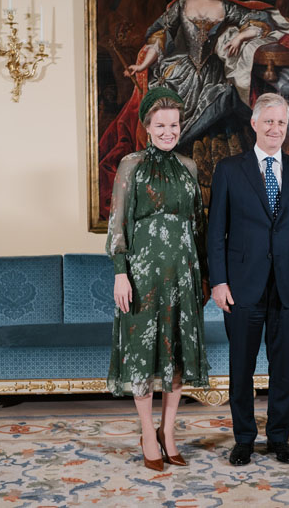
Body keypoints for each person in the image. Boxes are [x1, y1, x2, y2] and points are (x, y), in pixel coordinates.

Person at [98, 0, 289, 219]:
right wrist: (143, 65)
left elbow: (257, 22)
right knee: (170, 99)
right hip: (180, 69)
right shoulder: (182, 3)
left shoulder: (225, 6)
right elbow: (159, 35)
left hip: (212, 70)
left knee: (222, 96)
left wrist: (240, 36)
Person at [207, 92, 289, 466]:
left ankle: (278, 438)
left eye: (281, 122)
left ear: (287, 128)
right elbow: (215, 232)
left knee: (283, 367)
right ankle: (243, 439)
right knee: (242, 367)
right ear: (254, 124)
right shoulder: (228, 169)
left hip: (287, 285)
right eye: (268, 121)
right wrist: (218, 282)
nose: (275, 128)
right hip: (241, 287)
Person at [106, 87, 210, 471]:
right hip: (142, 277)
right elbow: (118, 224)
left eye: (174, 125)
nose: (168, 131)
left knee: (177, 357)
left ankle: (169, 432)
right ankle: (148, 433)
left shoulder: (189, 167)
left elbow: (199, 226)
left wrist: (204, 277)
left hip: (184, 275)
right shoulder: (130, 165)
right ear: (147, 126)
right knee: (142, 358)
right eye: (160, 125)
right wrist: (121, 274)